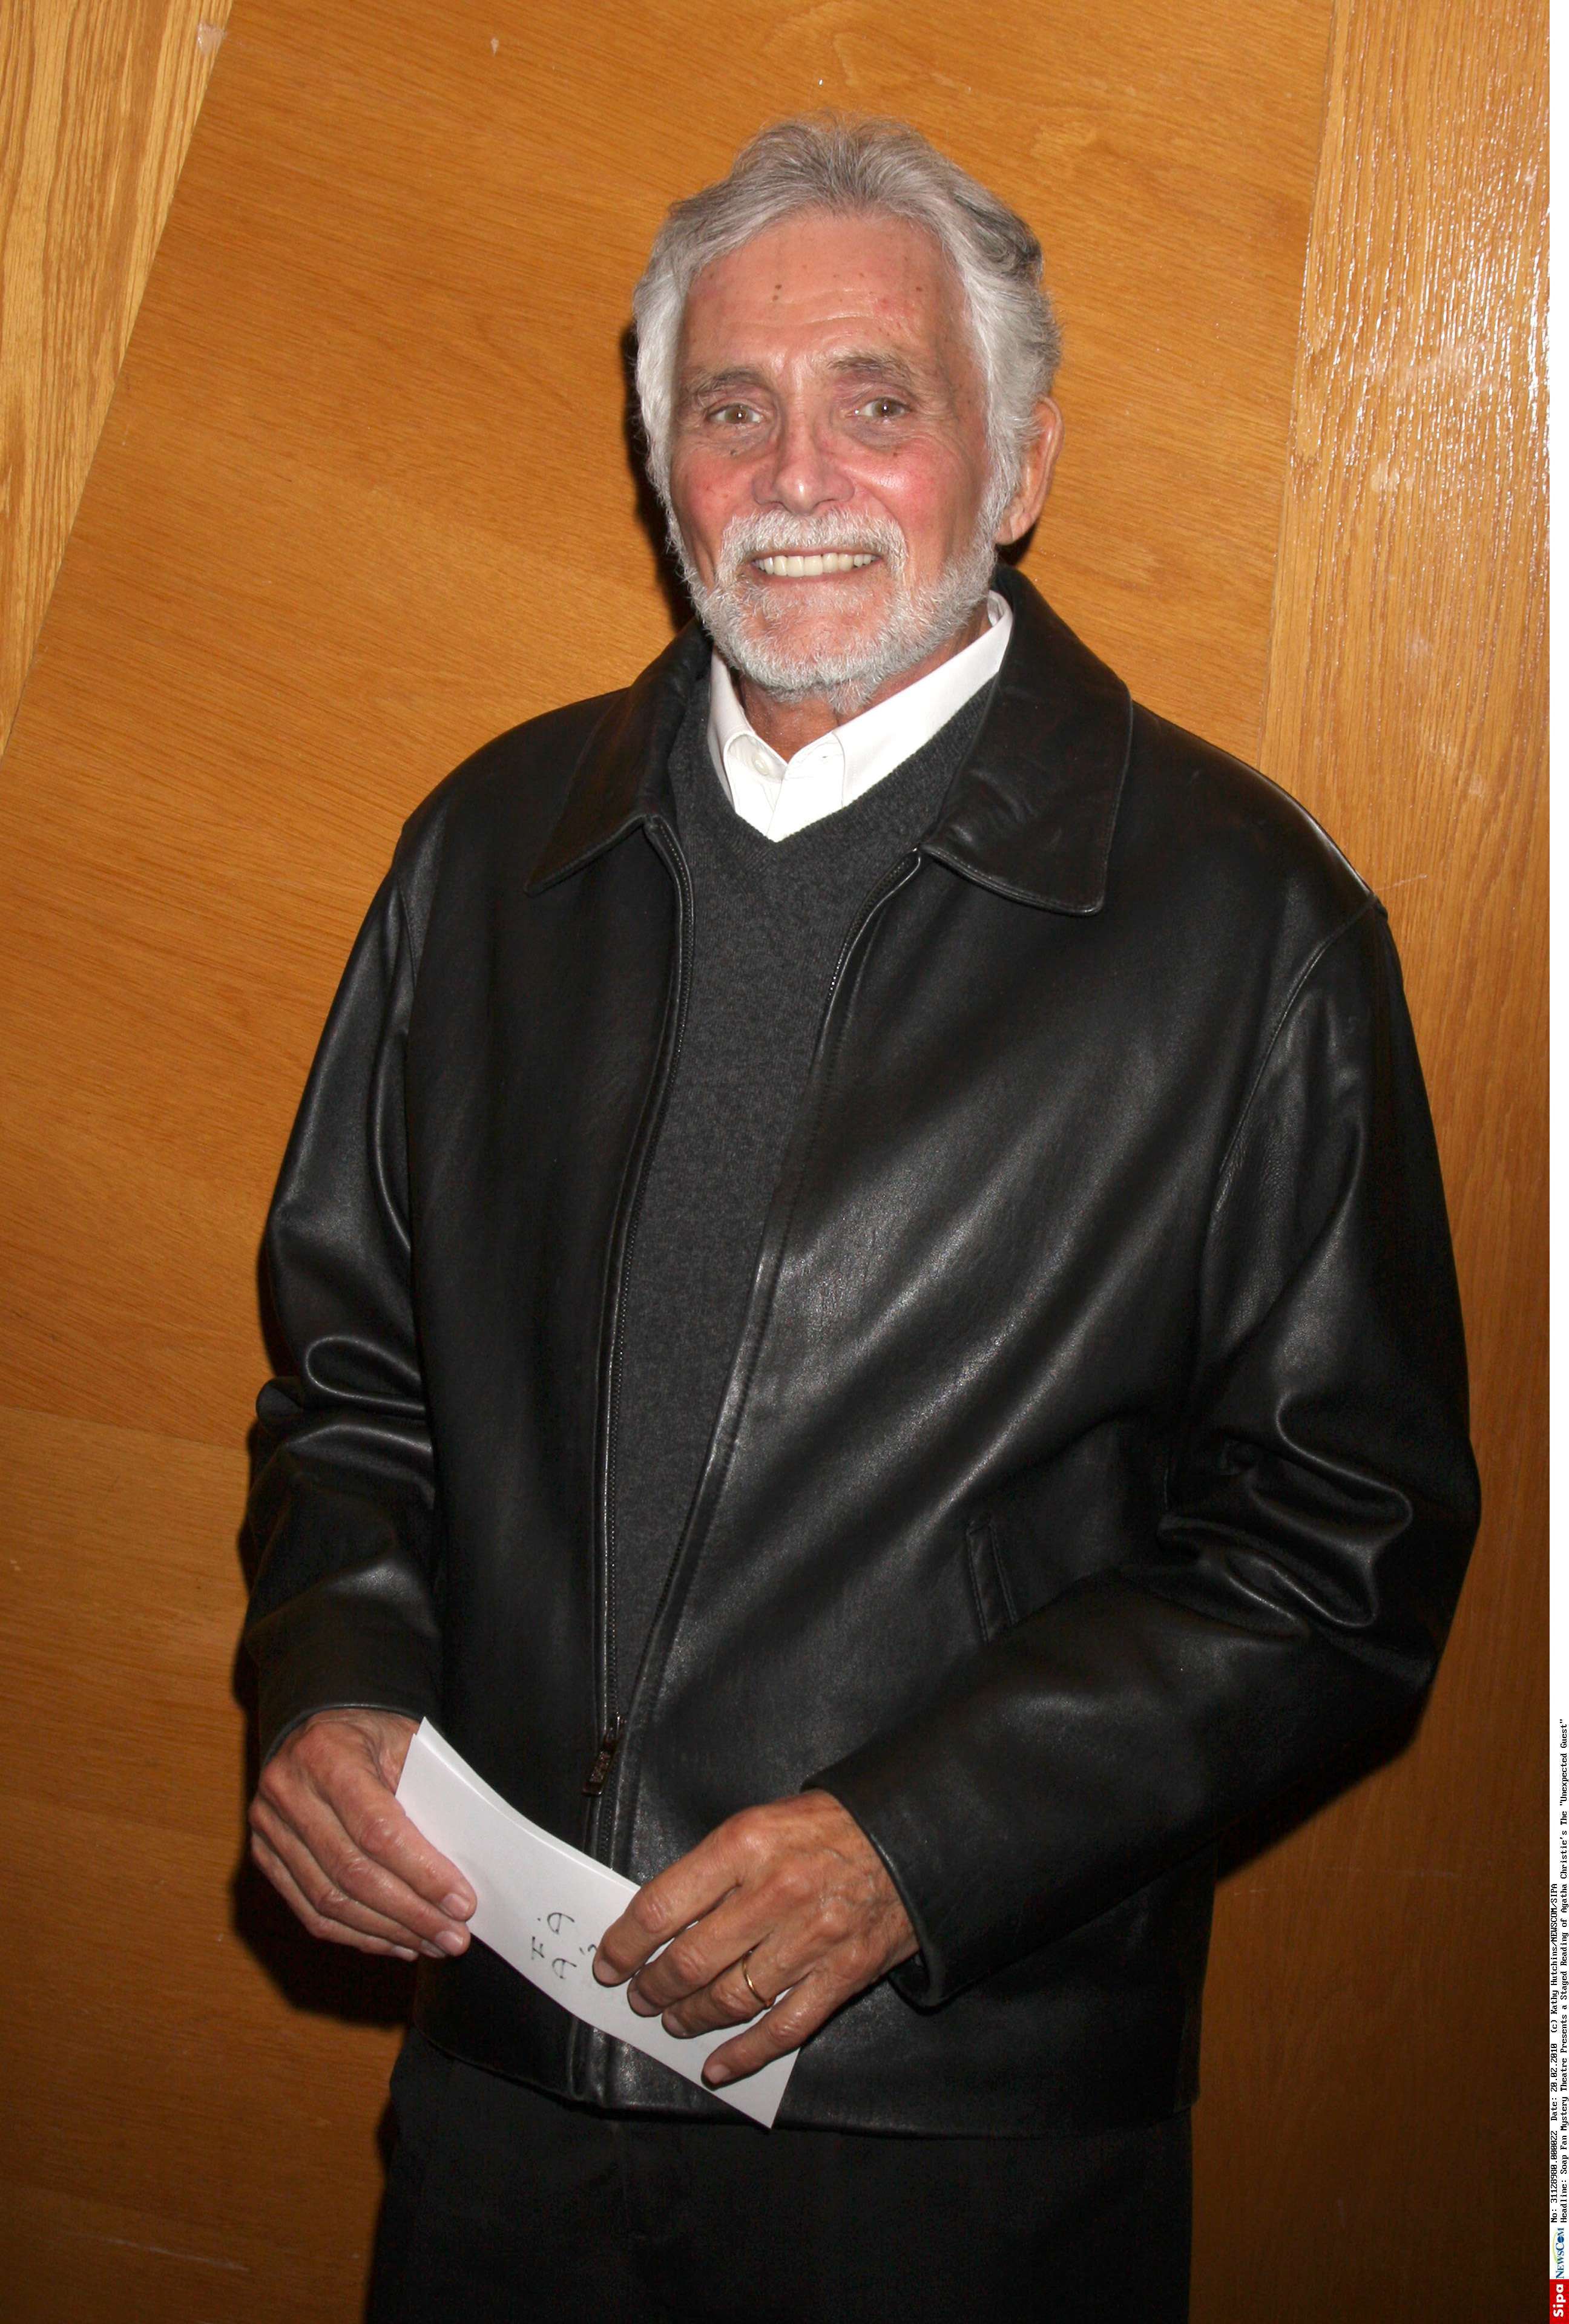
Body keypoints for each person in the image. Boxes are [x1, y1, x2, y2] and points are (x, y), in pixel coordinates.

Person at [241, 116, 1479, 2323]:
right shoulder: (488, 856)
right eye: (732, 408)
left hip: (956, 2125)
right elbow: (354, 1384)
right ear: (665, 472)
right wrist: (335, 1679)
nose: (796, 474)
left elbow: (1343, 1545)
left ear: (1020, 465)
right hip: (500, 2084)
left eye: (877, 401)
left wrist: (922, 1848)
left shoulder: (1251, 929)